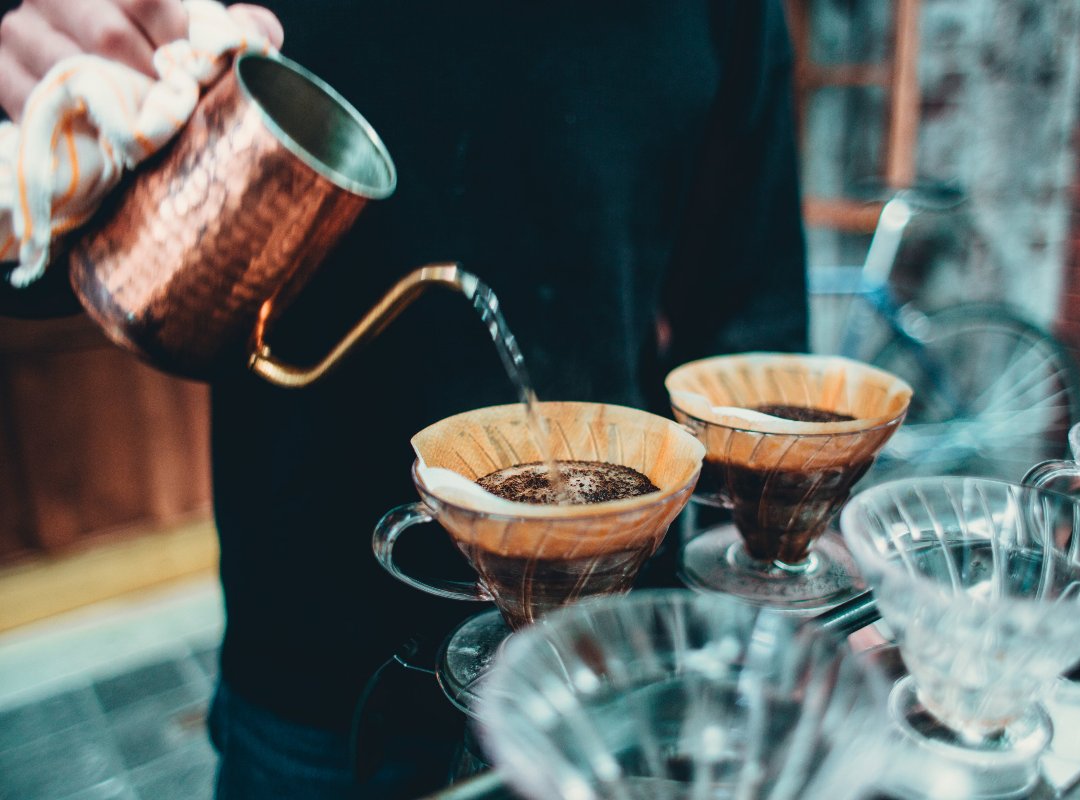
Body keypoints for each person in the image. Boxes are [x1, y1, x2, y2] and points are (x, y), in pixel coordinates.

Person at [0, 0, 808, 796]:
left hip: (615, 660)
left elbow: (750, 318)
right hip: (318, 683)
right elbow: (40, 257)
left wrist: (774, 570)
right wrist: (45, 128)